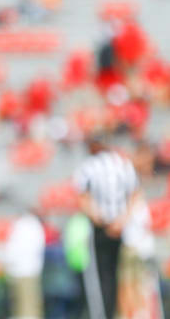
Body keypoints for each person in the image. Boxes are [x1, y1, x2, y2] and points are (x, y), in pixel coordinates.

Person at [73, 133, 140, 319]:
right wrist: (122, 220)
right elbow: (135, 194)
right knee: (114, 275)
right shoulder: (123, 164)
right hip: (120, 227)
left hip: (101, 227)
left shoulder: (89, 166)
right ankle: (114, 313)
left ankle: (102, 315)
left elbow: (82, 197)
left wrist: (100, 218)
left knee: (99, 278)